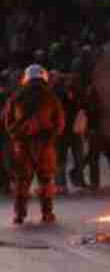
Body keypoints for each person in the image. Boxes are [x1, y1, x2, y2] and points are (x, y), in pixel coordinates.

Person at [4, 64, 65, 224]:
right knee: (45, 180)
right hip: (44, 145)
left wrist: (16, 136)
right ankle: (47, 214)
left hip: (22, 146)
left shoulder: (16, 97)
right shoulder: (51, 97)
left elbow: (7, 121)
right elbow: (59, 122)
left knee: (22, 180)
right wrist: (51, 137)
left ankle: (19, 215)